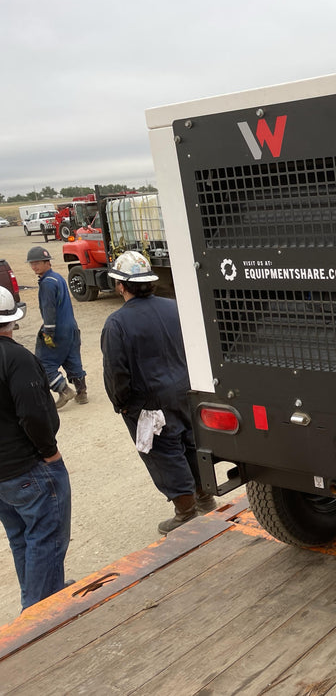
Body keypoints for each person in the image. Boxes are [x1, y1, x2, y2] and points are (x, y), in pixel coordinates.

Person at [100, 251, 216, 534]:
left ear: (120, 285)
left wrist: (123, 404)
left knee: (163, 453)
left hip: (150, 401)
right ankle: (205, 498)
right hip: (186, 391)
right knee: (191, 444)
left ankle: (186, 512)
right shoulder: (173, 307)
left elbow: (116, 373)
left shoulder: (117, 323)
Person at [0, 286, 71, 611]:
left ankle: (42, 594)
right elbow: (34, 412)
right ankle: (39, 614)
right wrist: (49, 452)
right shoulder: (15, 358)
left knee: (22, 539)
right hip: (28, 469)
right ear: (11, 320)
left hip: (4, 479)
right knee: (45, 537)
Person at [26, 246, 87, 408]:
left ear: (48, 263)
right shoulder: (58, 278)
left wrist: (48, 332)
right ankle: (82, 393)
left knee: (43, 364)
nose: (34, 267)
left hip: (57, 330)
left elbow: (49, 309)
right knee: (72, 359)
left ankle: (65, 390)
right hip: (71, 328)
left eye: (37, 263)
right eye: (32, 264)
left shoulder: (47, 283)